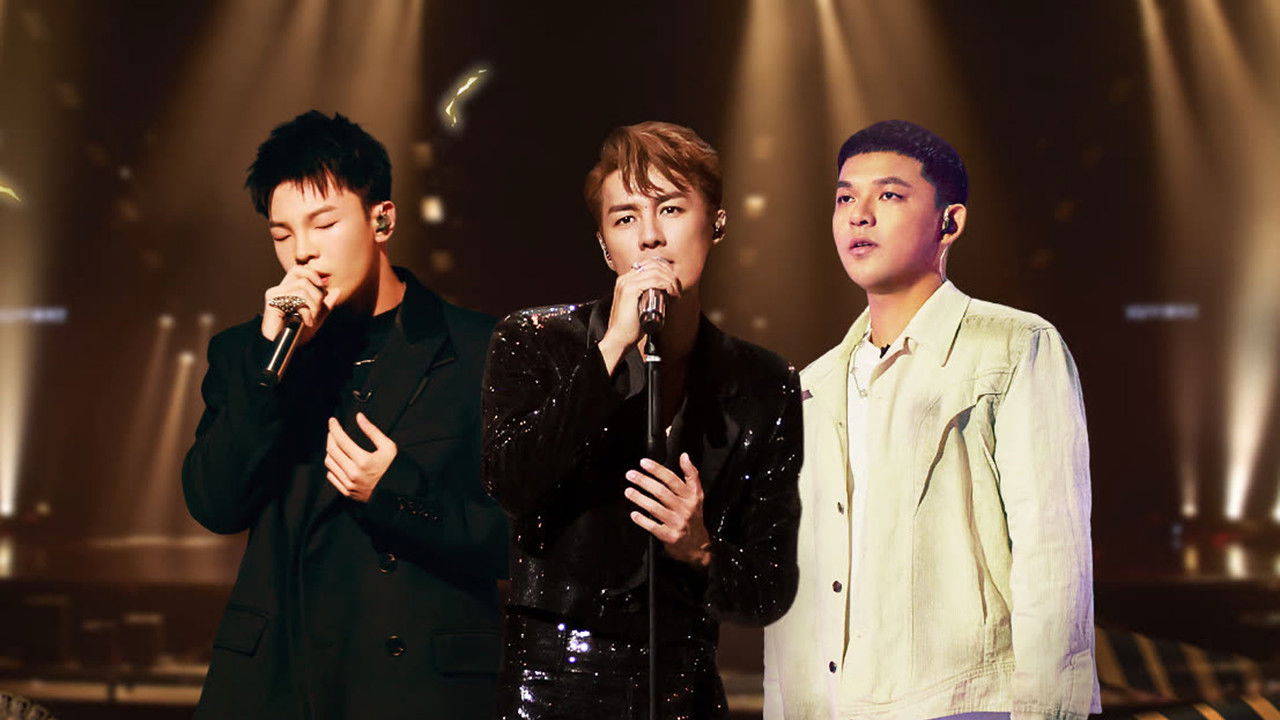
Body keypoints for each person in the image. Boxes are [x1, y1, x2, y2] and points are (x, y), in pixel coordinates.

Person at [763, 120, 1100, 720]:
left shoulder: (1013, 345)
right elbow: (796, 584)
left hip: (965, 702)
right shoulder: (812, 386)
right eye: (845, 198)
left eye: (889, 195)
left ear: (950, 222)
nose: (859, 215)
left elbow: (1053, 556)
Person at [182, 110, 508, 720]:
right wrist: (270, 366)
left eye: (325, 223)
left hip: (416, 687)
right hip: (282, 679)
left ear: (382, 219)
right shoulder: (249, 353)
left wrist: (398, 493)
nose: (302, 251)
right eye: (281, 234)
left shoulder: (478, 349)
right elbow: (215, 504)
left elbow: (521, 539)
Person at [482, 121, 803, 719]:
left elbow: (769, 588)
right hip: (551, 684)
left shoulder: (764, 383)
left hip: (683, 685)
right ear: (606, 247)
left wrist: (701, 549)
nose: (650, 236)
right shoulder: (535, 341)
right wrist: (610, 351)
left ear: (717, 223)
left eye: (671, 209)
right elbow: (511, 482)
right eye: (625, 218)